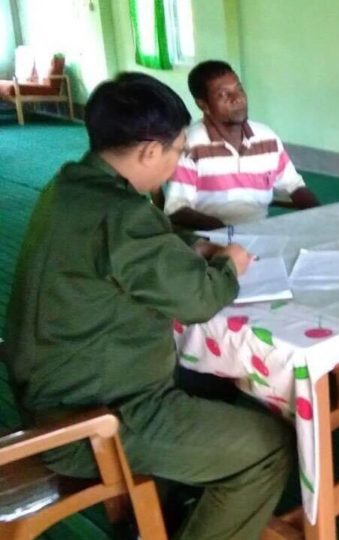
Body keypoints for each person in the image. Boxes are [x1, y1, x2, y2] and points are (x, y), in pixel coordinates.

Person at [3, 72, 295, 540]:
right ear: (147, 151)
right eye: (178, 150)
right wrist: (230, 268)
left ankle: (168, 508)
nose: (179, 162)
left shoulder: (72, 186)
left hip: (57, 388)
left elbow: (143, 240)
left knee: (213, 381)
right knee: (269, 446)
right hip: (94, 417)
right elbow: (199, 300)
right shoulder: (122, 215)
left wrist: (191, 245)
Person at [164, 60, 319, 229]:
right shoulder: (190, 146)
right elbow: (176, 209)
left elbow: (294, 186)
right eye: (224, 94)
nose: (237, 98)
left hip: (260, 233)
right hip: (211, 238)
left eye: (239, 88)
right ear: (203, 105)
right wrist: (226, 233)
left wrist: (322, 215)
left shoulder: (266, 138)